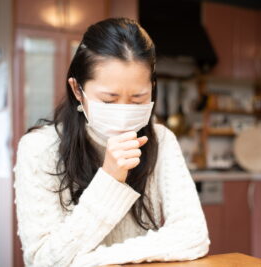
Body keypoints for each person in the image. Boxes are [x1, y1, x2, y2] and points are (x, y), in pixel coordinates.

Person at [13, 18, 210, 267]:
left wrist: (93, 260)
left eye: (138, 99)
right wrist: (110, 178)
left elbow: (194, 236)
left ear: (152, 88)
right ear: (77, 90)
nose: (125, 111)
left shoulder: (161, 140)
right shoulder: (38, 148)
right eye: (108, 100)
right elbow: (42, 260)